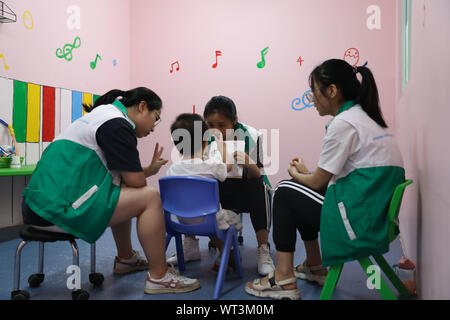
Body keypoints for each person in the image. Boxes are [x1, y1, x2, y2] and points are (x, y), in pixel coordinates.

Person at [245, 59, 405, 300]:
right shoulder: (364, 117)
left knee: (284, 191)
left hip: (360, 221)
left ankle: (284, 277)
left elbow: (319, 183)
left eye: (314, 93)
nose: (313, 101)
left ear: (331, 91)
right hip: (372, 212)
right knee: (296, 191)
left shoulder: (343, 123)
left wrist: (298, 175)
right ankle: (315, 265)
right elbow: (331, 178)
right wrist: (307, 175)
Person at [21, 87, 200, 295]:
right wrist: (145, 174)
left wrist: (148, 169)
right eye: (156, 118)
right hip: (55, 211)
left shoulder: (101, 117)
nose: (153, 127)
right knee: (150, 197)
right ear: (142, 107)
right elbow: (136, 182)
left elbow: (124, 177)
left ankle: (126, 259)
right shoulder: (118, 125)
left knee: (119, 189)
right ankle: (159, 277)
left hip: (37, 207)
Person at [167, 96, 275, 276]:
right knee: (193, 179)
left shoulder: (251, 135)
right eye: (210, 125)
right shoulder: (201, 135)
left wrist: (249, 163)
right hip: (217, 187)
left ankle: (263, 249)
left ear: (234, 121)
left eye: (222, 125)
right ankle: (190, 245)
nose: (216, 131)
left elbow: (257, 174)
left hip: (246, 186)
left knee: (260, 186)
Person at [166, 113, 243, 271]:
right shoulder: (211, 165)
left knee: (205, 213)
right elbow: (228, 166)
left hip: (182, 223)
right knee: (229, 219)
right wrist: (220, 143)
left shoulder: (171, 171)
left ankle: (200, 250)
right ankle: (226, 253)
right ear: (206, 141)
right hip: (211, 223)